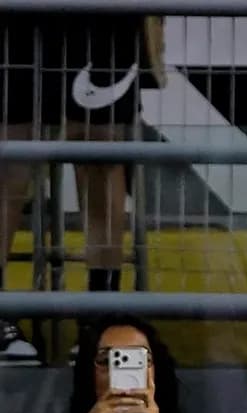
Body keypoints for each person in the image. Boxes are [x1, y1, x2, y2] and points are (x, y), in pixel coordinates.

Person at [0, 13, 166, 363]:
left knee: (99, 153)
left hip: (101, 17)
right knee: (9, 157)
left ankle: (100, 311)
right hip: (14, 17)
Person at [21, 314, 202, 413]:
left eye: (138, 360)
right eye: (107, 360)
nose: (122, 371)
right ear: (88, 375)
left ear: (157, 371)